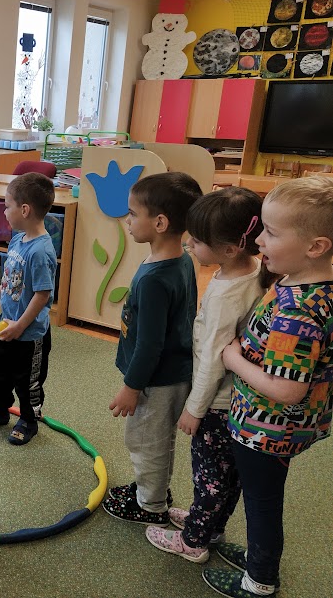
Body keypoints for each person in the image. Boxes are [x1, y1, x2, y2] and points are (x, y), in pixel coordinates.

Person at [202, 176, 333, 597]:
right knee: (262, 495)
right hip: (288, 424)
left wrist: (233, 359)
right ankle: (259, 560)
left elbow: (287, 389)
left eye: (272, 233)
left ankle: (259, 579)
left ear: (316, 246)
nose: (258, 240)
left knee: (262, 503)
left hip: (268, 427)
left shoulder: (298, 312)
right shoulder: (308, 282)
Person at [146, 188, 276, 563]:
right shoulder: (254, 270)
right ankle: (211, 526)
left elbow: (213, 362)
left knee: (210, 477)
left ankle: (194, 541)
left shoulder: (224, 297)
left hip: (218, 403)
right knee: (228, 474)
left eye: (198, 241)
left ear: (231, 248)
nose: (189, 244)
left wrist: (194, 408)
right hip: (240, 399)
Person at [103, 172, 203, 526]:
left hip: (156, 380)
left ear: (159, 223)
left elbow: (150, 344)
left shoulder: (156, 279)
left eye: (133, 214)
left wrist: (131, 387)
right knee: (153, 439)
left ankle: (151, 504)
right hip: (167, 372)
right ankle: (151, 488)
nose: (128, 221)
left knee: (147, 442)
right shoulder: (180, 260)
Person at [0, 173, 57, 445]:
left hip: (29, 335)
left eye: (7, 206)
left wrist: (21, 325)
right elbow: (8, 280)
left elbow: (42, 294)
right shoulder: (19, 239)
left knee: (28, 382)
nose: (4, 212)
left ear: (24, 210)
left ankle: (29, 420)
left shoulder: (40, 252)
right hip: (7, 325)